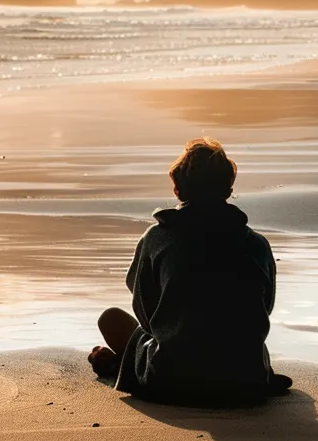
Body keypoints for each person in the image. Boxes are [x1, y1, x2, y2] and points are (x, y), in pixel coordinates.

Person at [89, 137, 291, 406]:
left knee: (111, 319)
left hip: (171, 380)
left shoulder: (157, 239)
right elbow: (263, 308)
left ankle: (124, 366)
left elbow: (145, 314)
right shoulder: (256, 244)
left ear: (177, 189)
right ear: (228, 190)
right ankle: (129, 365)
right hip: (246, 380)